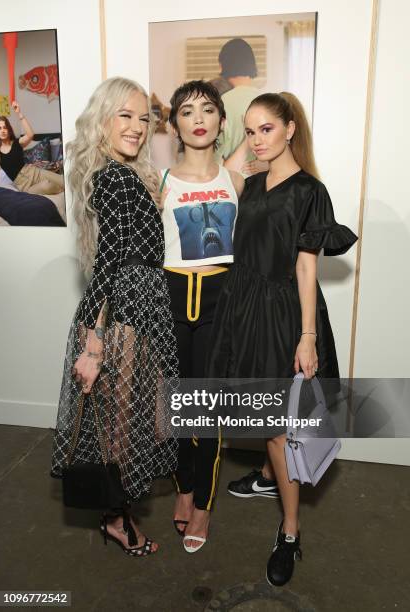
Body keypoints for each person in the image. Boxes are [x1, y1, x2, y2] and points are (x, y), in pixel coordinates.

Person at [207, 92, 358, 585]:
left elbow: (306, 265)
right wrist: (249, 142)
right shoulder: (249, 185)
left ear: (291, 128)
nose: (256, 140)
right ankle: (271, 477)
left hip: (285, 315)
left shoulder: (308, 191)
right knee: (262, 413)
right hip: (244, 309)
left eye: (267, 129)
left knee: (280, 426)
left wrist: (308, 335)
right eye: (249, 131)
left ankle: (290, 532)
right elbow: (222, 168)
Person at [50, 77, 179, 556]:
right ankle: (119, 522)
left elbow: (120, 253)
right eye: (125, 115)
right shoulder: (116, 177)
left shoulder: (120, 176)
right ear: (102, 119)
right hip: (125, 315)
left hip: (136, 309)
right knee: (121, 427)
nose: (137, 127)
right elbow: (110, 263)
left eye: (144, 118)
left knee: (119, 423)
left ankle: (114, 517)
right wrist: (95, 341)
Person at [160, 80, 244, 553]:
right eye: (187, 111)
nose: (197, 119)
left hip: (219, 301)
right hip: (171, 297)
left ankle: (204, 505)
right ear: (174, 123)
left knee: (206, 407)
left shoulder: (237, 180)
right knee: (176, 405)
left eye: (207, 110)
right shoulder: (162, 181)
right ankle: (184, 488)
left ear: (220, 120)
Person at [0, 101, 64, 195]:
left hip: (35, 172)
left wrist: (19, 113)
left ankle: (66, 189)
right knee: (47, 185)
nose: (2, 130)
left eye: (5, 127)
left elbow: (30, 135)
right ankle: (63, 191)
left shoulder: (17, 142)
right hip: (24, 186)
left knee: (63, 180)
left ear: (8, 129)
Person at [215, 38, 260, 164]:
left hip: (230, 181)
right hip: (264, 181)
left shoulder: (220, 103)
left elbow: (215, 166)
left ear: (222, 65)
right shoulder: (270, 101)